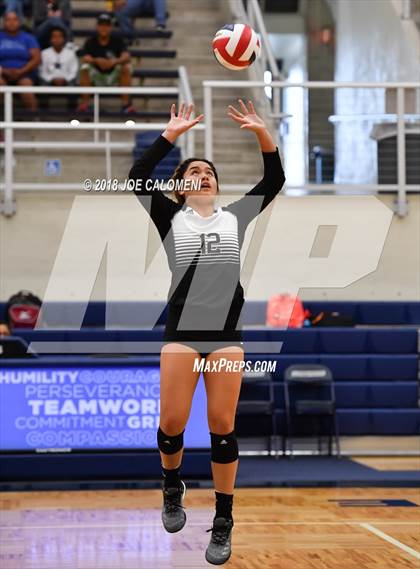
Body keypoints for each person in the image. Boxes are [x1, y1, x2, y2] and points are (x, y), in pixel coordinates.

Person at [129, 100, 285, 565]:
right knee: (173, 423)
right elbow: (137, 177)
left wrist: (262, 132)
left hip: (226, 335)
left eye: (209, 171)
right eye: (193, 171)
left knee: (222, 425)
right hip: (181, 332)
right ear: (180, 187)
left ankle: (223, 521)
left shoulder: (234, 217)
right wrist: (170, 136)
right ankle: (171, 485)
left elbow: (273, 180)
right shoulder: (170, 217)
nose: (203, 175)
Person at [78, 13, 135, 114]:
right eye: (101, 25)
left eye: (106, 25)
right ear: (97, 26)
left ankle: (126, 105)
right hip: (96, 75)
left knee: (126, 67)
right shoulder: (90, 41)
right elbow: (85, 57)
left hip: (113, 75)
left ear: (110, 27)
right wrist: (97, 61)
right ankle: (85, 104)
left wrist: (114, 61)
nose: (103, 28)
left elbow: (126, 56)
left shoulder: (117, 40)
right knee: (84, 68)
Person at [0, 11, 40, 111]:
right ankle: (4, 119)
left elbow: (36, 58)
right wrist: (4, 71)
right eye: (8, 20)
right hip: (1, 73)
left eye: (14, 19)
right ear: (3, 22)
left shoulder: (28, 38)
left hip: (25, 73)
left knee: (25, 86)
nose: (11, 22)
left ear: (19, 22)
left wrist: (21, 71)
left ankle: (33, 120)